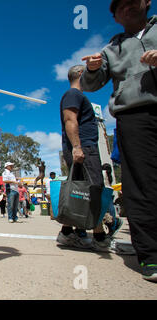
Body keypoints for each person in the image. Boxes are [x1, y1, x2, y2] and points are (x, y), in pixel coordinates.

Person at [80, 0, 157, 282]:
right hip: (135, 116)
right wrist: (92, 69)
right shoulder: (111, 48)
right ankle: (150, 255)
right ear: (114, 15)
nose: (128, 7)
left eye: (132, 1)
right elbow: (92, 83)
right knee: (141, 185)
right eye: (120, 5)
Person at [57, 65, 118, 252]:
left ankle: (67, 233)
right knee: (93, 189)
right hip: (83, 148)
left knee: (82, 191)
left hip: (84, 148)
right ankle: (99, 237)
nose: (95, 77)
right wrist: (77, 147)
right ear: (82, 74)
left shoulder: (76, 96)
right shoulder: (73, 95)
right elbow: (70, 120)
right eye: (91, 74)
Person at [101, 163, 123, 237]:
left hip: (104, 192)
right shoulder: (107, 178)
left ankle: (113, 224)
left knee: (106, 210)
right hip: (106, 192)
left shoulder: (104, 176)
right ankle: (113, 224)